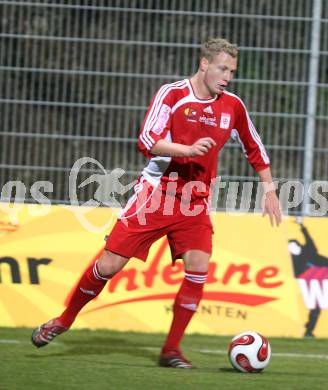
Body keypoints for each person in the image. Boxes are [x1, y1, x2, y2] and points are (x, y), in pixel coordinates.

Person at [31, 37, 282, 368]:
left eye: (232, 71)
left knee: (198, 267)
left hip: (195, 202)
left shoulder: (232, 105)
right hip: (156, 194)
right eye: (223, 68)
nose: (227, 77)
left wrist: (270, 190)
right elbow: (146, 140)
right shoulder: (173, 95)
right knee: (108, 266)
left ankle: (171, 350)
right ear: (204, 64)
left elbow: (255, 146)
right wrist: (185, 151)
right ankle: (63, 320)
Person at [289, 223, 328, 337]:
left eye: (295, 245)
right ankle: (308, 330)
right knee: (315, 308)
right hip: (313, 283)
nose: (293, 248)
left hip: (321, 278)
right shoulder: (294, 260)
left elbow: (310, 242)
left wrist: (303, 228)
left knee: (315, 308)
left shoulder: (308, 252)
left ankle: (308, 329)